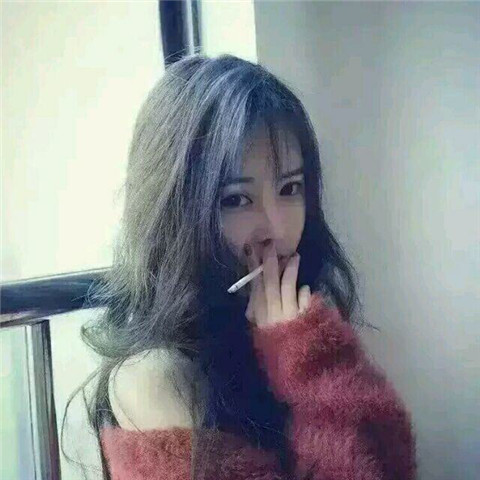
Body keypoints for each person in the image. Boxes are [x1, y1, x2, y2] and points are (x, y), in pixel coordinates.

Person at [68, 53, 417, 479]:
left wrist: (306, 351)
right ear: (176, 212)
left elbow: (394, 463)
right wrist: (309, 363)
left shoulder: (285, 323)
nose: (277, 229)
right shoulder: (155, 376)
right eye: (236, 199)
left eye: (290, 188)